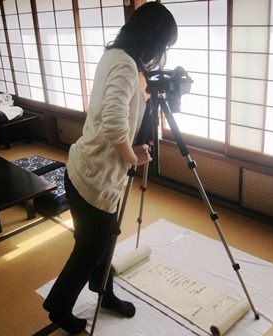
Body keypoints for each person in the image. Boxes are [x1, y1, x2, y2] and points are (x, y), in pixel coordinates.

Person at [43, 2, 178, 334]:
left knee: (100, 241)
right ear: (153, 38)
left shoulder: (116, 56)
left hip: (91, 170)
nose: (161, 54)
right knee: (91, 247)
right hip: (94, 177)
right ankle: (59, 307)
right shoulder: (125, 65)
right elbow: (115, 126)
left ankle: (104, 290)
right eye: (163, 46)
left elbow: (113, 115)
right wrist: (134, 157)